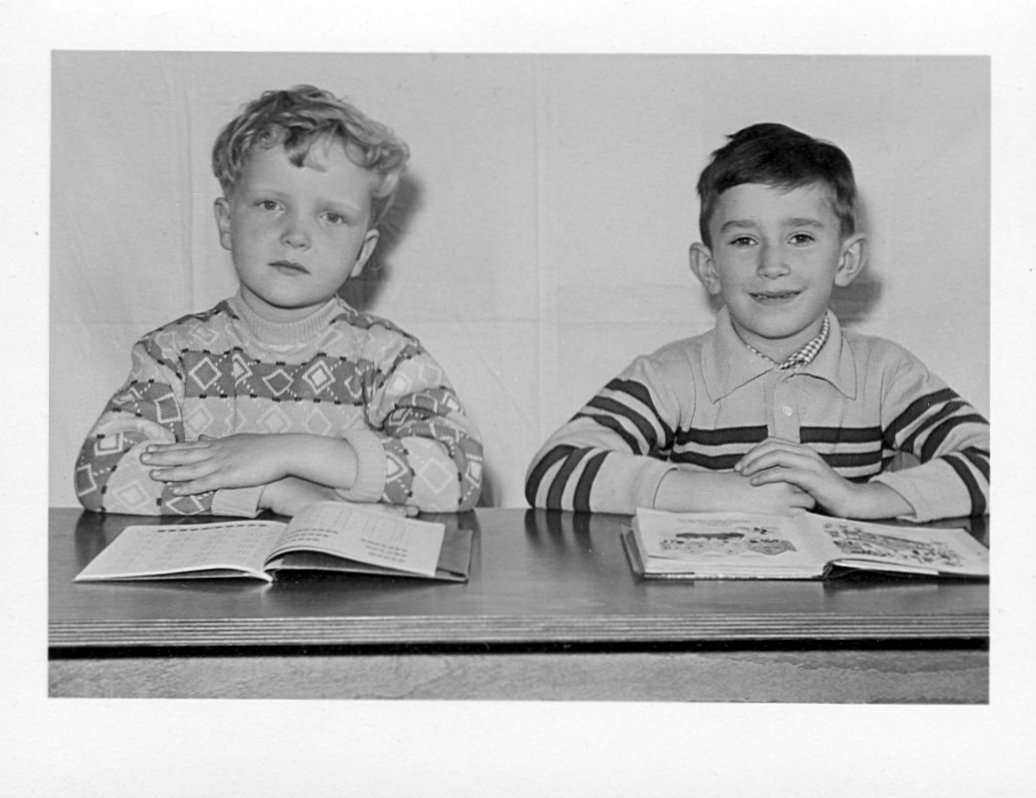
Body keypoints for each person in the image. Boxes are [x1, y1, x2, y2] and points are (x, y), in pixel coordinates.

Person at [525, 123, 988, 522]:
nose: (772, 264)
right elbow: (554, 467)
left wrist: (858, 498)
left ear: (846, 261)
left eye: (801, 237)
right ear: (709, 268)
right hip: (710, 615)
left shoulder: (885, 372)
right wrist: (712, 494)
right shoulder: (671, 374)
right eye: (745, 240)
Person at [75, 85, 483, 517]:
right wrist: (275, 492)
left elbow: (460, 474)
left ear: (362, 253)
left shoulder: (389, 359)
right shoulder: (174, 355)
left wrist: (286, 452)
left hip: (346, 582)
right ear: (227, 222)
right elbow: (100, 472)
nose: (296, 235)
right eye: (270, 204)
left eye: (332, 216)